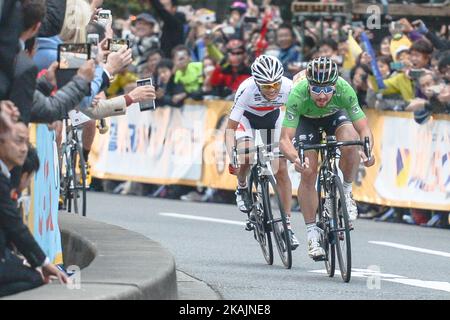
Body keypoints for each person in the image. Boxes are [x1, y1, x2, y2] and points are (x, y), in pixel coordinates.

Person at [280, 57, 375, 260]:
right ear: (308, 85)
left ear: (335, 84)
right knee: (308, 170)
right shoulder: (297, 93)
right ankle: (312, 232)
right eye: (316, 89)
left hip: (334, 116)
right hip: (306, 121)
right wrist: (295, 158)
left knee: (350, 141)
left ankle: (347, 192)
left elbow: (364, 127)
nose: (322, 95)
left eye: (327, 89)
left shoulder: (344, 89)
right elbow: (285, 139)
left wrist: (367, 150)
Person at [225, 55, 299, 250]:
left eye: (275, 84)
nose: (273, 90)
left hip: (273, 119)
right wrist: (230, 154)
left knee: (281, 168)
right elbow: (231, 126)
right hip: (247, 121)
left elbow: (299, 117)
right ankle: (242, 186)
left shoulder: (289, 87)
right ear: (257, 83)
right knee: (247, 154)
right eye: (267, 86)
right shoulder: (246, 89)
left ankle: (287, 226)